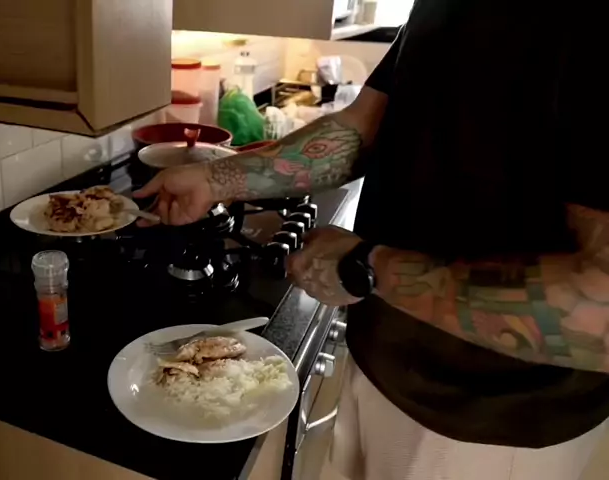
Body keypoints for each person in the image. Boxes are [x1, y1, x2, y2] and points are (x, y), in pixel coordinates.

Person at [134, 2, 609, 479]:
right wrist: (216, 179)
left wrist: (363, 268)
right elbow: (365, 129)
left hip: (492, 427)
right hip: (383, 364)